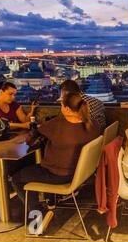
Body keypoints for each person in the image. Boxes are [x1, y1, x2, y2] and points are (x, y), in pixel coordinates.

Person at [11, 92, 100, 231]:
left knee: (16, 178)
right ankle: (45, 204)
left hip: (57, 175)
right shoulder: (93, 124)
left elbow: (30, 139)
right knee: (31, 170)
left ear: (68, 109)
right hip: (80, 173)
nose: (61, 108)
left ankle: (38, 214)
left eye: (61, 105)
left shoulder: (58, 124)